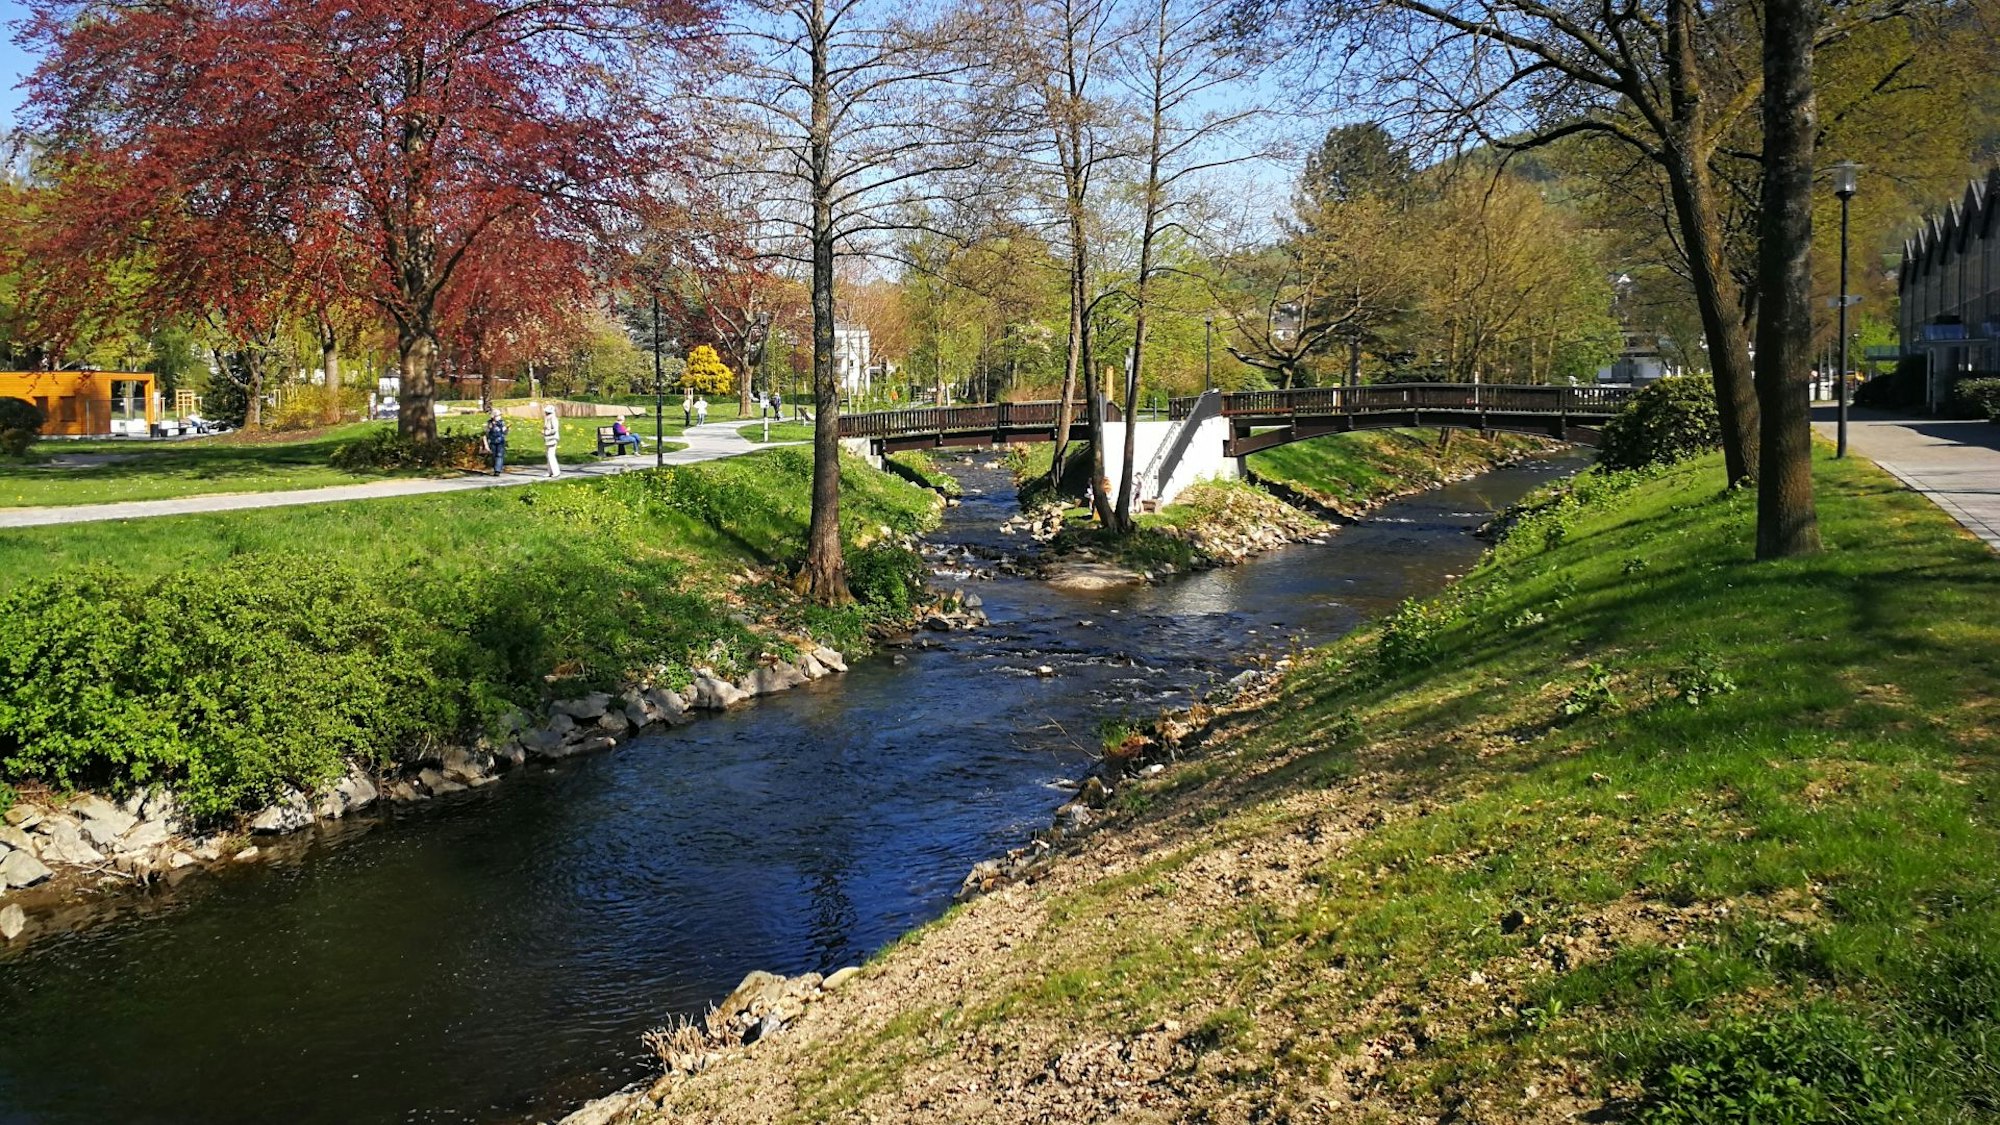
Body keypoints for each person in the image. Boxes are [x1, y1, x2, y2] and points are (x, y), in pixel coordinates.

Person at [483, 410, 508, 476]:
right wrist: (486, 444)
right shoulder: (489, 423)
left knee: (499, 455)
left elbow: (505, 432)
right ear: (493, 416)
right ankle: (495, 468)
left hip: (501, 442)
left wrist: (507, 429)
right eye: (498, 415)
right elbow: (486, 434)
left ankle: (497, 470)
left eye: (500, 415)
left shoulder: (502, 423)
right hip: (492, 442)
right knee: (494, 456)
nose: (499, 417)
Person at [542, 405, 561, 478]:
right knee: (548, 455)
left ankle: (556, 472)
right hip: (548, 439)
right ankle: (549, 471)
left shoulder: (553, 418)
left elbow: (555, 429)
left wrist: (547, 432)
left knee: (551, 455)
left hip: (552, 439)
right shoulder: (547, 418)